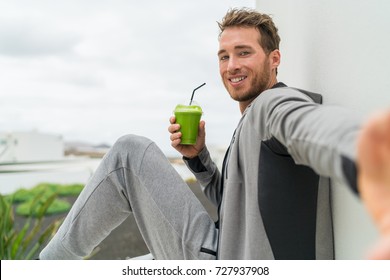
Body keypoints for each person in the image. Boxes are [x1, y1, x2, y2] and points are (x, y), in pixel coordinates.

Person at [39, 8, 390, 260]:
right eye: (223, 56)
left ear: (274, 59)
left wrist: (369, 153)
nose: (231, 65)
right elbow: (234, 209)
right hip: (229, 246)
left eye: (243, 53)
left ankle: (45, 267)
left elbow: (313, 126)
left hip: (229, 263)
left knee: (129, 155)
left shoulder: (274, 105)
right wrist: (198, 158)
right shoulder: (251, 123)